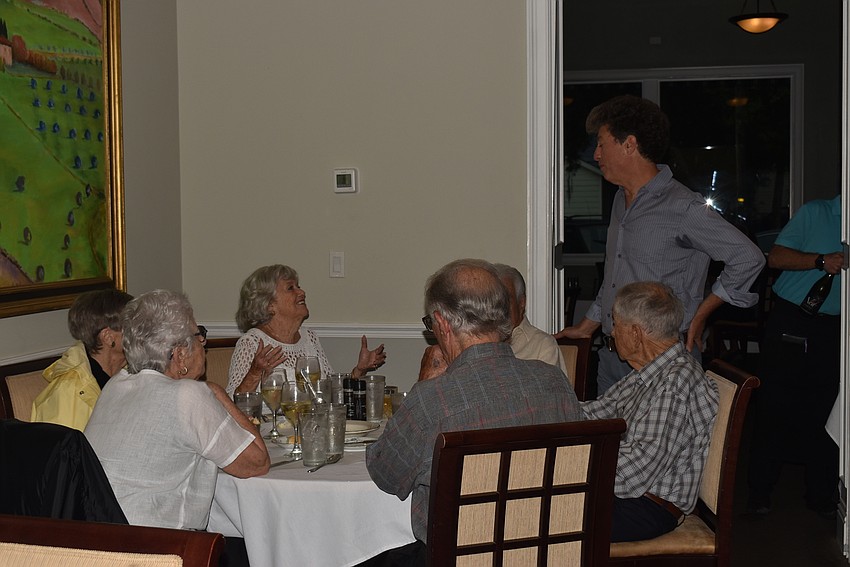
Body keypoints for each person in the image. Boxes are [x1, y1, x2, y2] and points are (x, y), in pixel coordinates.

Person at [364, 259, 581, 565]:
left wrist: (422, 385)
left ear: (441, 323)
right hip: (545, 553)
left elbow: (386, 474)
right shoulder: (554, 382)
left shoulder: (432, 399)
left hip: (460, 557)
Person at [554, 95, 765, 395]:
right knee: (609, 442)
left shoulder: (683, 207)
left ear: (629, 144)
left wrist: (702, 314)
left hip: (662, 363)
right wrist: (587, 326)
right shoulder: (619, 200)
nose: (596, 154)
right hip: (613, 358)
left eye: (602, 144)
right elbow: (616, 279)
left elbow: (748, 257)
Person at [85, 290, 269, 529]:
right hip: (153, 548)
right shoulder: (187, 395)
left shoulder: (116, 384)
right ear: (180, 355)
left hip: (94, 540)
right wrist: (215, 392)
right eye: (198, 335)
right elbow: (257, 462)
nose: (203, 343)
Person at [580, 281, 718, 542]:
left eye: (615, 324)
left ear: (635, 333)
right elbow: (599, 410)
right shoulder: (650, 372)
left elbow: (635, 473)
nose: (610, 332)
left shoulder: (674, 382)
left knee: (538, 515)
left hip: (647, 507)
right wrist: (546, 410)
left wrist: (569, 463)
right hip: (631, 497)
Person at [746, 195, 842, 519]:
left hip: (837, 330)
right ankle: (758, 493)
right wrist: (820, 261)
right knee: (775, 407)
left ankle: (821, 497)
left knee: (829, 410)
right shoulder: (817, 212)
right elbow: (775, 258)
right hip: (794, 319)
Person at [226, 264, 386, 397]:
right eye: (290, 288)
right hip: (269, 432)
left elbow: (331, 393)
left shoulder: (309, 337)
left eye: (298, 286)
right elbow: (232, 407)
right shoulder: (252, 342)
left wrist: (360, 370)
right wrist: (255, 373)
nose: (302, 292)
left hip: (312, 427)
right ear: (269, 305)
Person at [31, 289, 133, 431]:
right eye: (134, 328)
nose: (143, 334)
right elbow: (60, 450)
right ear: (108, 337)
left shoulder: (133, 374)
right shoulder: (67, 393)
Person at [494, 263, 569, 376]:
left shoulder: (543, 345)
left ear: (521, 303)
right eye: (493, 299)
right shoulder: (476, 341)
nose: (499, 306)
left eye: (506, 299)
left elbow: (551, 391)